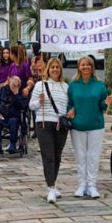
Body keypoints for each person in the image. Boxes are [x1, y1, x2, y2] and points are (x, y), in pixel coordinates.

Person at [67, 56, 112, 198]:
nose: (85, 67)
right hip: (77, 125)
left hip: (95, 125)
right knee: (80, 156)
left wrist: (107, 102)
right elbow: (69, 103)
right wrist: (71, 109)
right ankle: (82, 184)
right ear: (79, 67)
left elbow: (102, 105)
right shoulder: (73, 85)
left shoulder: (99, 85)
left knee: (93, 156)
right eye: (82, 65)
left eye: (88, 65)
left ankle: (91, 185)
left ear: (92, 67)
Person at [29, 57, 69, 203]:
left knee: (57, 156)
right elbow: (31, 106)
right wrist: (39, 101)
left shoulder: (65, 87)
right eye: (52, 67)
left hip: (60, 124)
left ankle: (53, 183)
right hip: (44, 123)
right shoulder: (40, 85)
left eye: (57, 67)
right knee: (49, 156)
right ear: (48, 69)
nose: (55, 70)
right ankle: (50, 187)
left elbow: (68, 106)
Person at [0, 76, 27, 154]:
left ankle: (12, 144)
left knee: (13, 121)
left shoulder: (21, 92)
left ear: (19, 85)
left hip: (14, 117)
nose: (14, 86)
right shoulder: (3, 90)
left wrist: (16, 95)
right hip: (2, 115)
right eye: (13, 85)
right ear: (9, 83)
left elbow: (23, 107)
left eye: (16, 85)